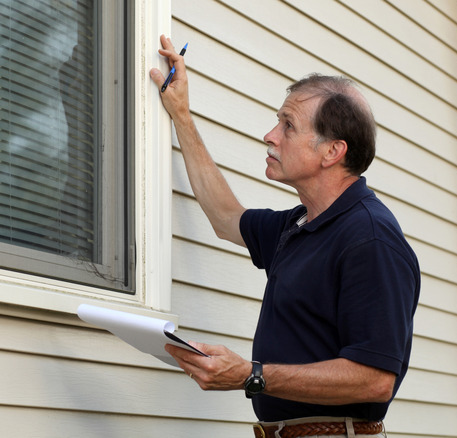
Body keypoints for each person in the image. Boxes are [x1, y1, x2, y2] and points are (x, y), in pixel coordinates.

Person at [150, 35, 420, 438]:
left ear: (332, 152)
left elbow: (374, 379)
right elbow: (226, 217)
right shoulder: (298, 226)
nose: (270, 135)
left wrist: (252, 375)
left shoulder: (370, 238)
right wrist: (181, 115)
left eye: (288, 126)